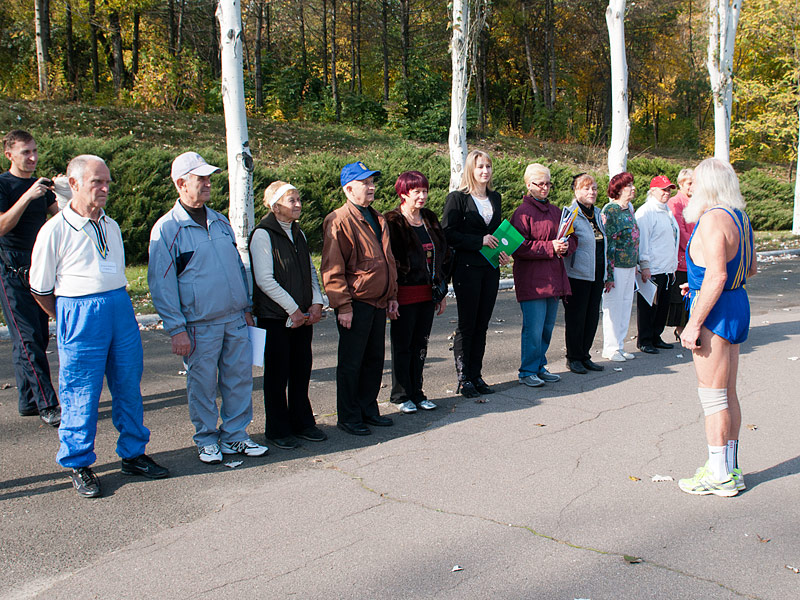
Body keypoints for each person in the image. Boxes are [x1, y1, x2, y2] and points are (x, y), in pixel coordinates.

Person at [29, 155, 168, 498]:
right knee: (80, 390)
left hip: (118, 307)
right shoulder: (55, 230)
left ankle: (133, 454)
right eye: (97, 182)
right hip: (79, 310)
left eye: (107, 181)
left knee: (128, 384)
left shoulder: (111, 224)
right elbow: (40, 288)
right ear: (74, 184)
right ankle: (78, 461)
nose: (105, 188)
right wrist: (66, 313)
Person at [148, 152, 268, 464]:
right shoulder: (166, 229)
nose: (207, 184)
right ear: (180, 183)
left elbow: (236, 267)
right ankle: (206, 439)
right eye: (200, 178)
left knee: (239, 380)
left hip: (235, 319)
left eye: (208, 178)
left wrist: (245, 307)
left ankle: (236, 436)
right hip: (199, 325)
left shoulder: (220, 220)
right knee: (202, 386)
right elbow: (162, 286)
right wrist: (176, 328)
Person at [677, 158, 755, 497]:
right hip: (736, 303)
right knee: (727, 392)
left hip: (716, 311)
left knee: (712, 396)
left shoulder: (711, 220)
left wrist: (693, 322)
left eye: (695, 181)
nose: (690, 187)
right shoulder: (741, 217)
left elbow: (717, 275)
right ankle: (729, 468)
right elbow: (748, 269)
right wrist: (695, 285)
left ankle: (719, 474)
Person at [321, 161, 398, 436]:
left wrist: (392, 295)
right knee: (352, 362)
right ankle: (349, 415)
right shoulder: (339, 219)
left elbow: (388, 260)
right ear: (348, 188)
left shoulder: (377, 218)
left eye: (372, 181)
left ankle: (368, 409)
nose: (371, 186)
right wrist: (342, 305)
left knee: (374, 359)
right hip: (355, 304)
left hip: (378, 302)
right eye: (365, 182)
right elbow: (332, 267)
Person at [249, 181, 327, 449]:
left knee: (301, 370)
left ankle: (302, 422)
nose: (298, 204)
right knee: (277, 375)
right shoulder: (263, 234)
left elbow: (310, 270)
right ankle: (277, 429)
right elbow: (264, 280)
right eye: (291, 200)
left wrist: (316, 302)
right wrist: (292, 309)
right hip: (276, 318)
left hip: (303, 316)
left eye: (298, 199)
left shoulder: (298, 233)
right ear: (275, 206)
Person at [0, 130, 60, 426]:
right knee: (27, 340)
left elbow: (63, 217)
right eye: (26, 152)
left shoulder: (42, 188)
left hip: (38, 268)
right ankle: (48, 403)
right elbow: (1, 226)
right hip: (10, 270)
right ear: (9, 154)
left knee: (38, 335)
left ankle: (28, 400)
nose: (33, 157)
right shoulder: (3, 184)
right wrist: (27, 196)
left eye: (35, 151)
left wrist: (64, 190)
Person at [442, 150, 510, 399]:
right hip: (467, 269)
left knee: (482, 324)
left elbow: (497, 234)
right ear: (471, 170)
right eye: (480, 166)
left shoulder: (495, 198)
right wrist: (478, 240)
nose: (485, 171)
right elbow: (448, 233)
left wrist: (503, 253)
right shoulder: (458, 199)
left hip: (490, 269)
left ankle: (476, 374)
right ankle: (463, 377)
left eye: (488, 167)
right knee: (467, 325)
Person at [385, 171, 450, 414]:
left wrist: (441, 291)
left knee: (421, 344)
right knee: (403, 345)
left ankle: (417, 392)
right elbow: (390, 260)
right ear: (403, 194)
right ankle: (401, 394)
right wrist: (391, 295)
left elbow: (443, 253)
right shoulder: (392, 221)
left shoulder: (429, 218)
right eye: (417, 192)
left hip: (428, 291)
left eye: (425, 191)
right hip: (404, 293)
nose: (422, 196)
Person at [511, 163, 576, 387]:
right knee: (534, 328)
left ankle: (539, 365)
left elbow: (571, 237)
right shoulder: (521, 213)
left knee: (547, 328)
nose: (545, 188)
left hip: (553, 279)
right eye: (540, 184)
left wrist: (567, 246)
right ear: (529, 185)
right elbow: (517, 247)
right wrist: (550, 247)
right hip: (532, 281)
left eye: (548, 184)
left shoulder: (556, 211)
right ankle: (527, 370)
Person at [563, 173, 606, 374]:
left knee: (591, 317)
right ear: (576, 191)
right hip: (577, 275)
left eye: (594, 188)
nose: (592, 192)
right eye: (586, 188)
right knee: (576, 317)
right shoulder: (570, 214)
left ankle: (585, 355)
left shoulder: (597, 213)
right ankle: (573, 357)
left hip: (596, 273)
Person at [634, 175, 680, 354]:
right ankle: (645, 339)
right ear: (652, 191)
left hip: (667, 268)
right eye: (663, 189)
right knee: (648, 306)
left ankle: (656, 335)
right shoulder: (646, 212)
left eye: (669, 190)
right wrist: (644, 265)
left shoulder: (667, 211)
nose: (666, 193)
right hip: (652, 268)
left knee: (662, 306)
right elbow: (642, 241)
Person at [600, 172, 640, 362]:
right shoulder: (611, 210)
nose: (632, 189)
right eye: (628, 186)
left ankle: (620, 344)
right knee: (613, 307)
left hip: (630, 265)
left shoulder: (629, 208)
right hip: (616, 266)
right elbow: (610, 243)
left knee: (625, 306)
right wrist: (609, 274)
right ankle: (610, 347)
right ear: (618, 189)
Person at [667, 168, 695, 339]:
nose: (693, 187)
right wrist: (693, 248)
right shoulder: (676, 202)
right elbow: (679, 231)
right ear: (681, 184)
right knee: (680, 296)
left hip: (698, 255)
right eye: (690, 183)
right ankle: (680, 328)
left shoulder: (699, 201)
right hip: (683, 256)